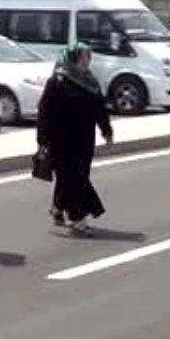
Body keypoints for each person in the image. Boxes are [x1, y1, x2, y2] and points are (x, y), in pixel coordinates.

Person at [36, 42, 113, 235]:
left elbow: (99, 110)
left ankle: (57, 207)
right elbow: (44, 112)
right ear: (74, 58)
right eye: (84, 57)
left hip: (85, 138)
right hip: (60, 139)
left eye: (89, 57)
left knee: (73, 176)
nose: (88, 61)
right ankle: (78, 219)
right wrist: (42, 140)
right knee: (74, 177)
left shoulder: (90, 81)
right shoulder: (57, 81)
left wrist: (106, 131)